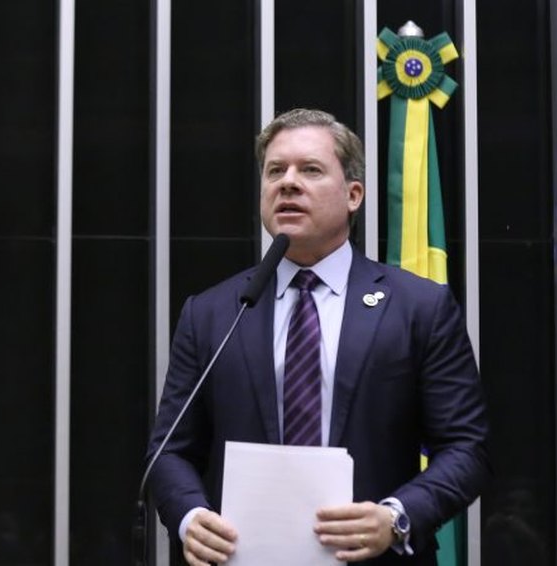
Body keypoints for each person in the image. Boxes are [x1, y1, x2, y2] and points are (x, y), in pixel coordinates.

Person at [145, 108, 489, 565]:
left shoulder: (419, 308)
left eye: (309, 169)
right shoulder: (212, 313)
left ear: (353, 195)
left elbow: (467, 448)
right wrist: (190, 517)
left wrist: (396, 517)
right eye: (275, 171)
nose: (287, 183)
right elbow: (169, 452)